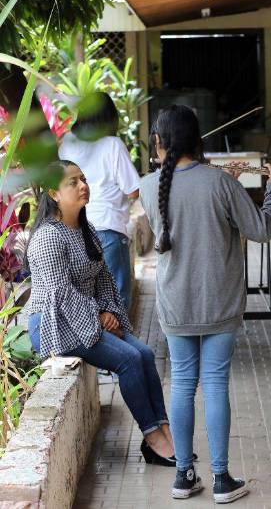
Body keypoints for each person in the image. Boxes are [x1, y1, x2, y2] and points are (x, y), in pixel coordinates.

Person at [139, 105, 271, 503]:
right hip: (218, 300)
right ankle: (221, 479)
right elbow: (261, 228)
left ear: (159, 142)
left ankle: (183, 476)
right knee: (216, 383)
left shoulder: (148, 186)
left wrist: (225, 189)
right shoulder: (220, 183)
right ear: (198, 140)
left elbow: (180, 217)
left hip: (176, 302)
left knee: (182, 383)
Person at [24, 160, 177, 467]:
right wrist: (98, 319)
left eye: (83, 178)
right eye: (73, 182)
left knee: (145, 354)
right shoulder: (48, 237)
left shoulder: (86, 228)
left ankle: (164, 430)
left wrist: (109, 310)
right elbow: (61, 293)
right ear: (54, 193)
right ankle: (152, 438)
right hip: (54, 323)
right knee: (128, 359)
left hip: (84, 317)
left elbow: (103, 277)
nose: (83, 185)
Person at [58, 92, 141, 311]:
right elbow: (133, 190)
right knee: (116, 304)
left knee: (86, 301)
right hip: (108, 230)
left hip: (75, 230)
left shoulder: (67, 143)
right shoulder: (113, 145)